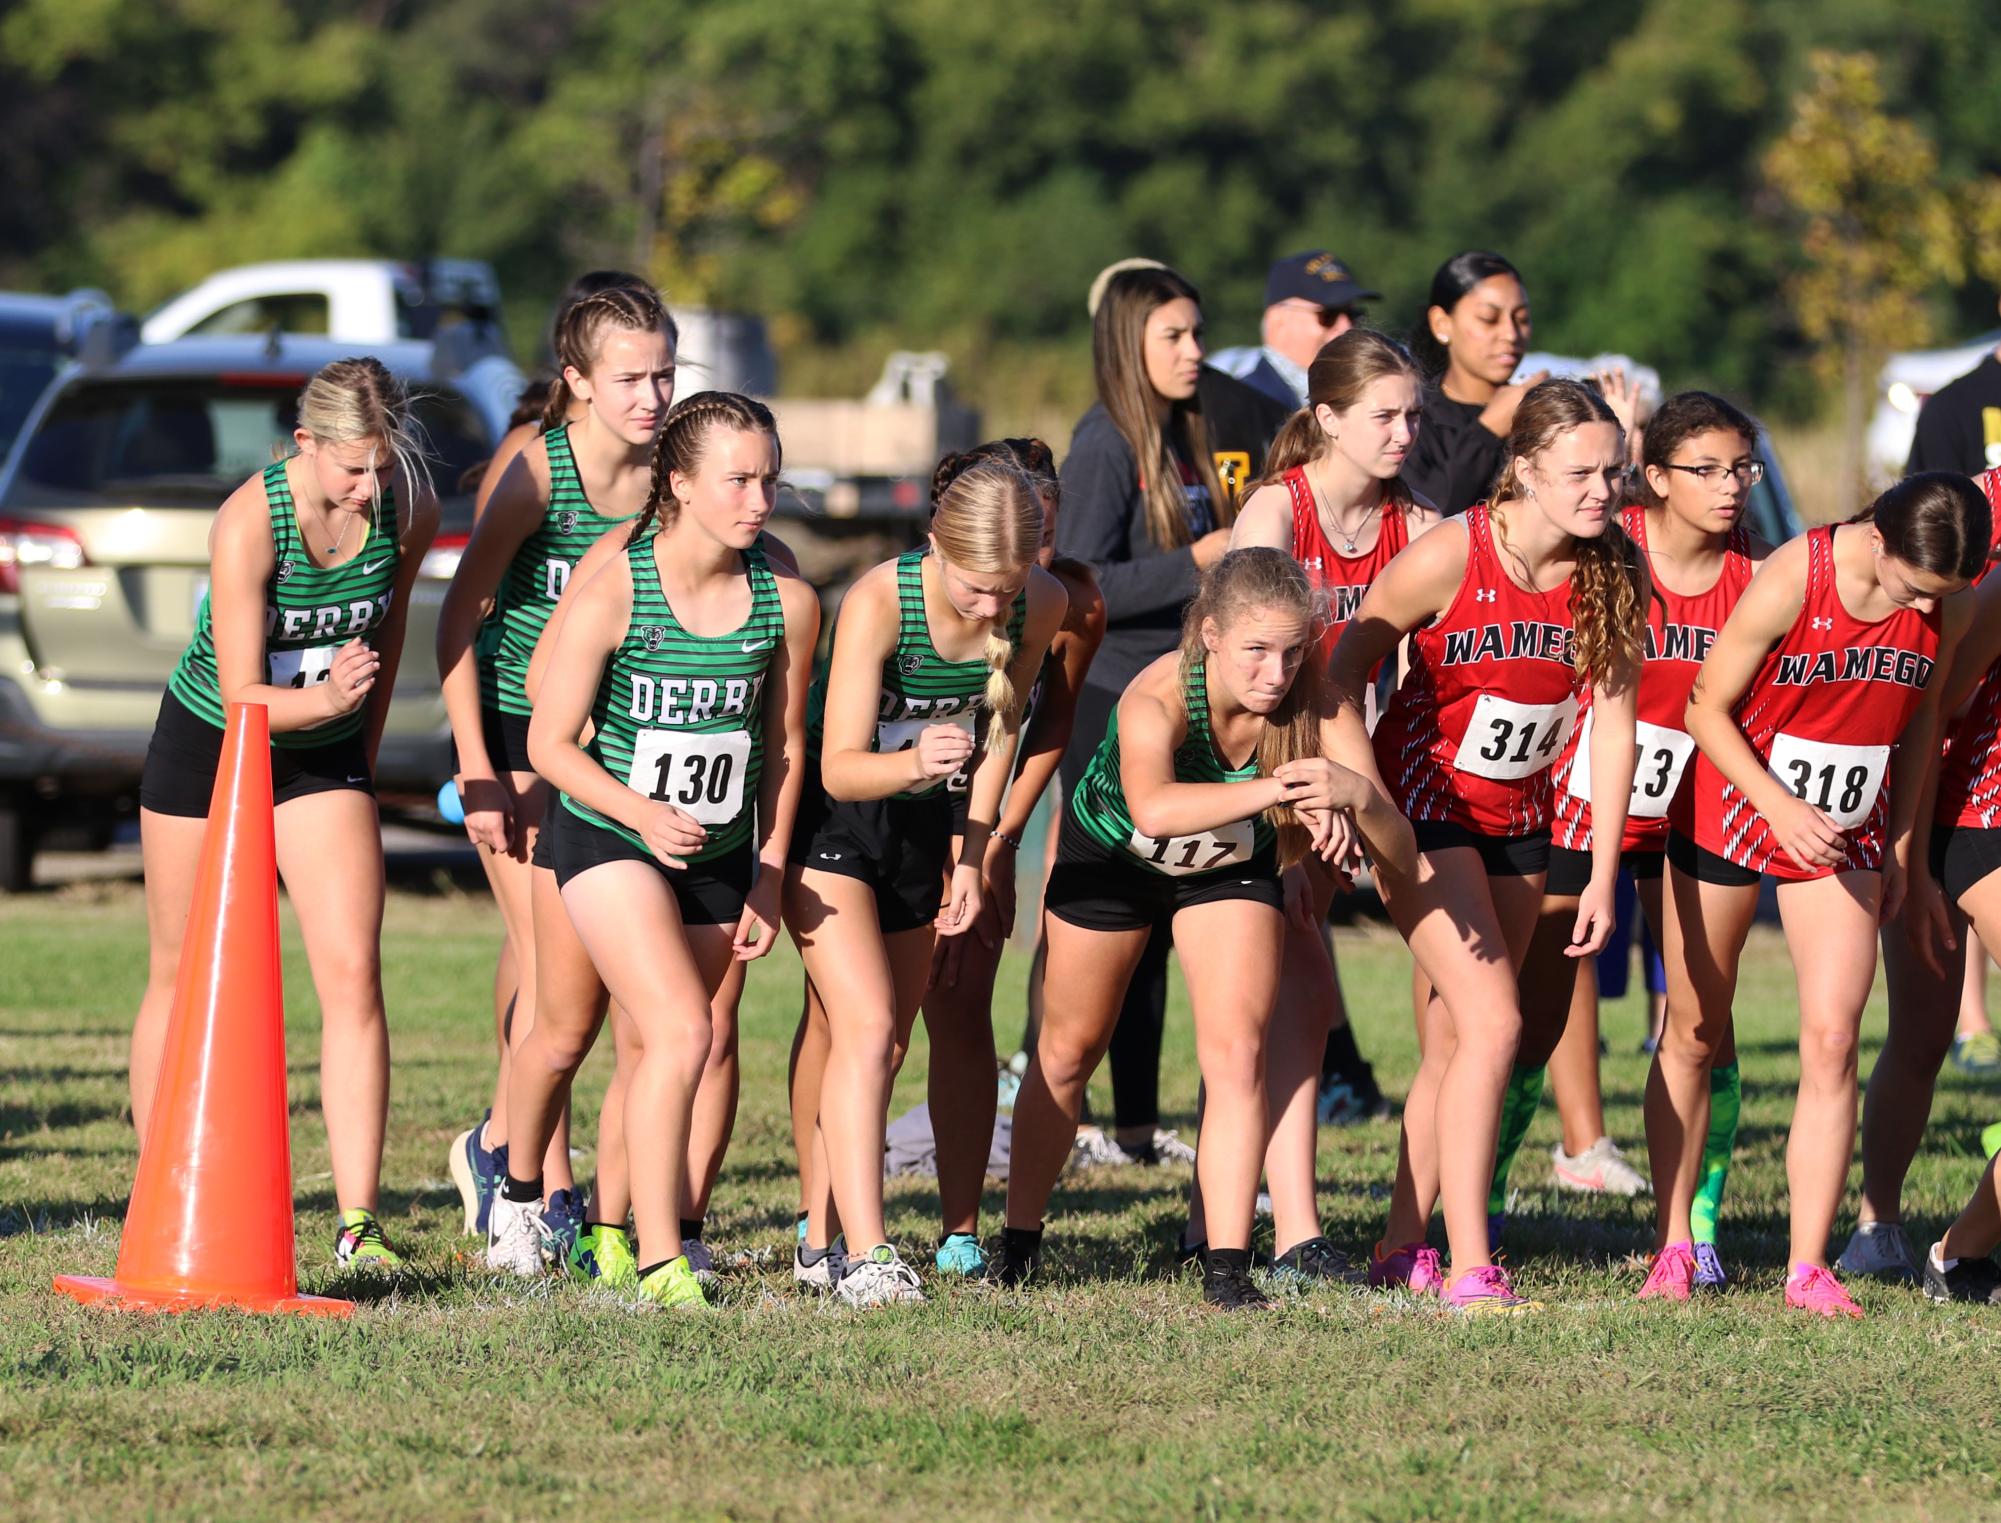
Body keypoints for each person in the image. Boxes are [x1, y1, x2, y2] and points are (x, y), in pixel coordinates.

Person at [1001, 547, 1415, 1308]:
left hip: (1227, 869)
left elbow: (1402, 850)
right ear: (1210, 635)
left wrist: (1356, 793)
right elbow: (1155, 808)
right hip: (1114, 858)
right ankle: (1018, 1238)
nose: (1275, 672)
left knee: (1236, 1050)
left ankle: (1225, 1265)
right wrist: (1284, 788)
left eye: (1292, 651)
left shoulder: (1316, 703)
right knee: (1065, 1051)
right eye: (1256, 650)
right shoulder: (1157, 693)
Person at [488, 391, 816, 1308]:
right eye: (739, 480)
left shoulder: (787, 600)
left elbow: (785, 747)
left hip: (716, 851)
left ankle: (608, 1230)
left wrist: (768, 867)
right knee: (574, 1032)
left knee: (658, 1044)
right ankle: (539, 1204)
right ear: (678, 483)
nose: (759, 500)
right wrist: (638, 809)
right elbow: (552, 744)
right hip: (604, 829)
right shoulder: (618, 587)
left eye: (769, 480)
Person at [1335, 378, 1646, 1314]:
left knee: (1455, 1043)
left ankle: (1398, 1245)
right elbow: (1336, 673)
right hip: (1423, 808)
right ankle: (1470, 1265)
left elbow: (1614, 721)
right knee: (1498, 1024)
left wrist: (1599, 869)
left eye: (1612, 471)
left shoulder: (1609, 567)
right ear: (1524, 469)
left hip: (1520, 818)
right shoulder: (1450, 553)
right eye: (1580, 473)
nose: (1601, 491)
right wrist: (1360, 800)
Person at [131, 357, 440, 1270]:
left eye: (381, 466)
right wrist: (334, 704)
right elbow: (240, 700)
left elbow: (378, 654)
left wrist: (359, 765)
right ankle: (164, 1186)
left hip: (323, 747)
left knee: (352, 972)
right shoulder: (248, 522)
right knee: (178, 969)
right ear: (304, 445)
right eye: (349, 468)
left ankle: (358, 1222)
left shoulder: (404, 508)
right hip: (214, 742)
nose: (366, 488)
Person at [1653, 471, 1986, 1315]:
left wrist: (1904, 849)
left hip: (1843, 829)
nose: (1921, 606)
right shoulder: (1796, 573)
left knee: (1833, 1037)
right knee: (1694, 1033)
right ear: (1879, 540)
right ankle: (1671, 1243)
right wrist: (1776, 805)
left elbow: (1921, 724)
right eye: (1914, 586)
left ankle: (1806, 1266)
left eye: (1940, 594)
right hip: (1732, 806)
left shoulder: (1946, 600)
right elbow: (1704, 707)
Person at [1484, 394, 1772, 1269]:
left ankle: (1695, 1228)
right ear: (1652, 478)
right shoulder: (1606, 553)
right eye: (1708, 470)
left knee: (1699, 1028)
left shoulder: (1757, 578)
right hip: (1581, 808)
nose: (1730, 488)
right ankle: (1482, 1196)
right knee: (1528, 1023)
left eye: (1741, 469)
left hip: (1699, 816)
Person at [785, 461, 1065, 1307]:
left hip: (921, 830)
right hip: (831, 825)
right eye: (977, 590)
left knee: (879, 1040)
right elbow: (835, 768)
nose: (992, 609)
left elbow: (1003, 725)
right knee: (864, 1026)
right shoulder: (879, 600)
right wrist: (912, 761)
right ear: (936, 548)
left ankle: (816, 1242)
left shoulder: (1038, 601)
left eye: (1006, 590)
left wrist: (975, 853)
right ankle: (862, 1252)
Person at [437, 283, 677, 1249]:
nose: (654, 396)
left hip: (610, 742)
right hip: (520, 736)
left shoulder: (676, 471)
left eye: (666, 373)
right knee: (553, 972)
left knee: (566, 970)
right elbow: (459, 619)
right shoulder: (539, 471)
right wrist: (476, 769)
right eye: (631, 378)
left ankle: (499, 1141)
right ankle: (539, 1185)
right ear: (575, 382)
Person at [1224, 328, 1436, 1272]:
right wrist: (1307, 805)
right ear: (1326, 420)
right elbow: (1246, 678)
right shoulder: (1275, 512)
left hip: (1372, 783)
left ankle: (1415, 1221)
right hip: (1275, 777)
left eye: (1412, 416)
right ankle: (1285, 1228)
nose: (1403, 433)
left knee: (1414, 1008)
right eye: (1384, 415)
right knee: (1291, 1006)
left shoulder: (1417, 525)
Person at [1054, 262, 1233, 1169]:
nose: (1194, 351)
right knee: (1104, 918)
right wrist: (1198, 559)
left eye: (1197, 332)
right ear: (1129, 344)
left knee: (1168, 920)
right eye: (1173, 335)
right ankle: (1067, 1116)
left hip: (1183, 696)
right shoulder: (1102, 442)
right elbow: (1078, 583)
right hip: (1112, 701)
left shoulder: (1183, 434)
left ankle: (1131, 1125)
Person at [919, 440, 1105, 1276]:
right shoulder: (908, 594)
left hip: (984, 810)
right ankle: (829, 1217)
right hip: (888, 806)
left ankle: (960, 1226)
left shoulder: (1069, 600)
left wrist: (992, 843)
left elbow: (1046, 729)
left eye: (1044, 535)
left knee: (961, 1007)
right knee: (865, 1024)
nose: (1026, 559)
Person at [1840, 464, 2001, 1282]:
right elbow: (1938, 704)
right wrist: (1908, 855)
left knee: (1922, 1036)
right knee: (1921, 1035)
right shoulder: (1968, 509)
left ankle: (1962, 1249)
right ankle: (1880, 1224)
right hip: (1968, 808)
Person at [1403, 252, 1548, 517]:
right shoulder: (1411, 417)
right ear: (1441, 323)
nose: (1511, 334)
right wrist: (1487, 432)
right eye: (1488, 319)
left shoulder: (1539, 414)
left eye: (1522, 319)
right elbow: (1430, 515)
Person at [1209, 251, 1379, 411]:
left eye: (1353, 314)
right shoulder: (1244, 404)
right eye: (1328, 315)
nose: (1346, 327)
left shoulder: (1364, 397)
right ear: (1279, 321)